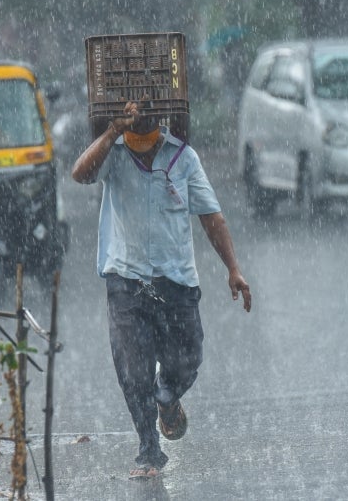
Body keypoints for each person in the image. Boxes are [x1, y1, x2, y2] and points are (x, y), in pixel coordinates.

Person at [71, 100, 252, 479]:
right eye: (132, 109)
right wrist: (111, 132)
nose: (139, 114)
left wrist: (233, 268)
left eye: (146, 108)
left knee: (187, 360)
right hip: (127, 280)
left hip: (176, 282)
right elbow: (81, 174)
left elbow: (211, 215)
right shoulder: (114, 154)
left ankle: (168, 395)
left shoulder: (183, 158)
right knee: (132, 372)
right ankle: (149, 451)